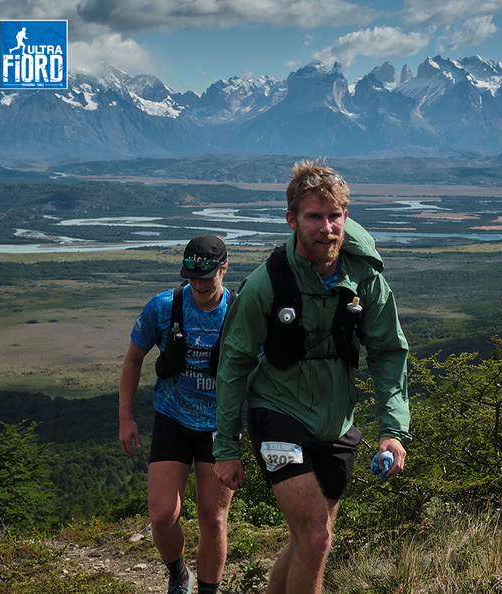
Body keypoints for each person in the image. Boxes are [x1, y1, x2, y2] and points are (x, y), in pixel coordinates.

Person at [213, 159, 411, 593]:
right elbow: (233, 366)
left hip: (338, 422)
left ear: (346, 215)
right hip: (278, 413)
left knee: (309, 540)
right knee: (318, 538)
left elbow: (388, 352)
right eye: (314, 216)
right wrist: (226, 448)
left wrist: (393, 430)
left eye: (335, 215)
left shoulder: (365, 279)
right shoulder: (266, 284)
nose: (327, 227)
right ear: (292, 220)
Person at [119, 235, 236, 594]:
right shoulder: (164, 307)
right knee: (162, 516)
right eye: (192, 276)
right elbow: (133, 358)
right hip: (172, 415)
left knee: (213, 520)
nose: (199, 285)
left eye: (208, 276)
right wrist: (126, 418)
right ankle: (177, 573)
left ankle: (208, 590)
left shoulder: (239, 311)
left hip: (219, 424)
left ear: (224, 269)